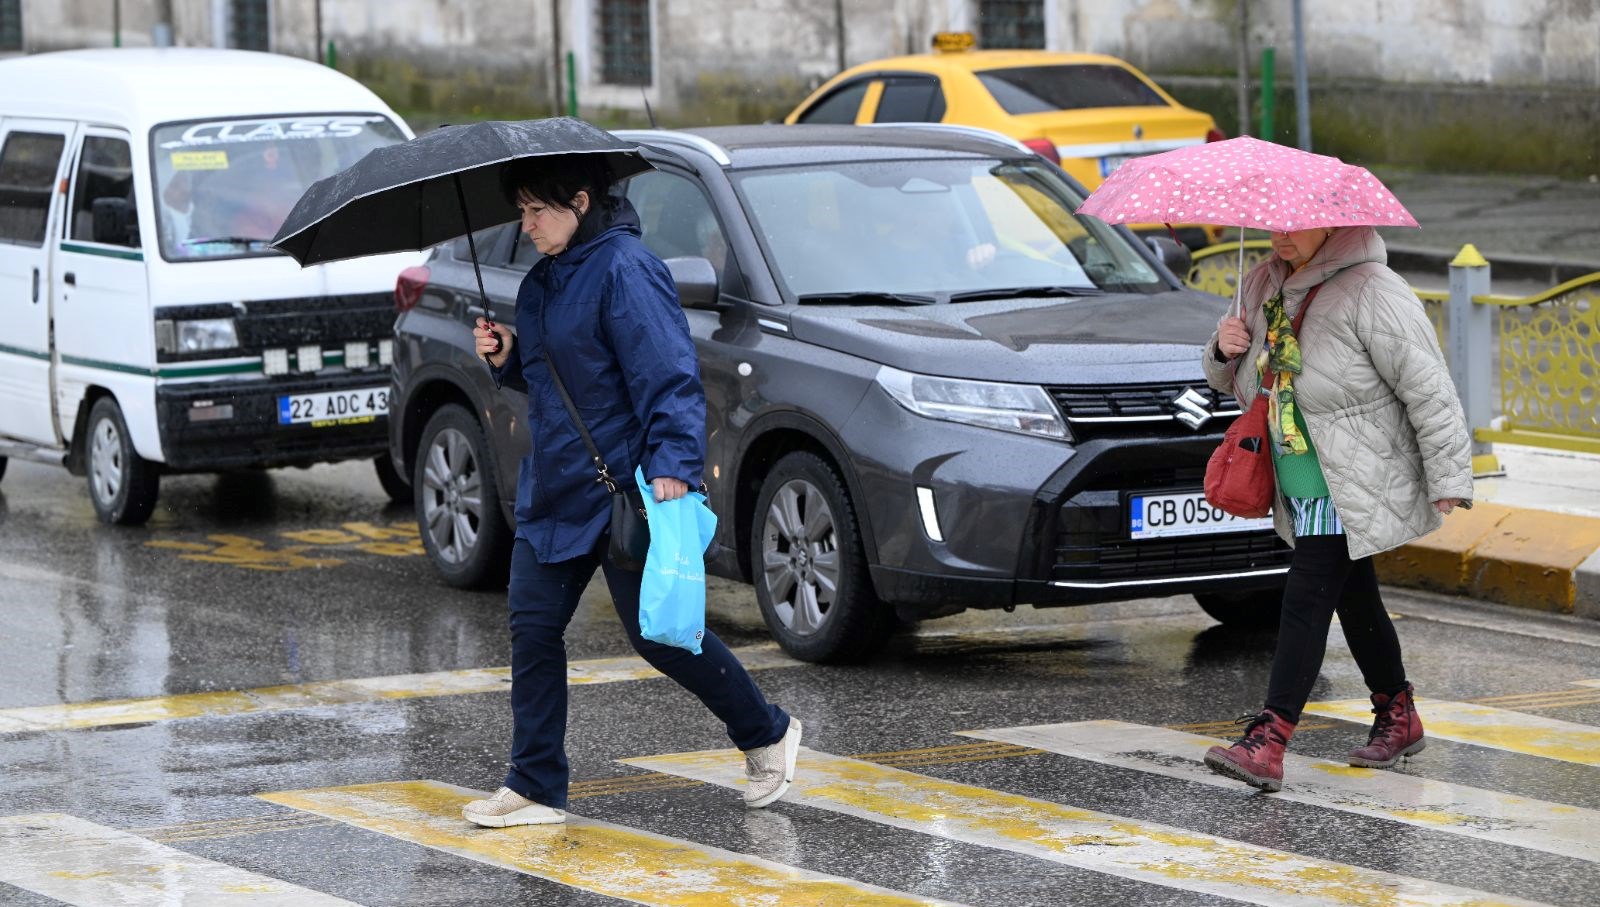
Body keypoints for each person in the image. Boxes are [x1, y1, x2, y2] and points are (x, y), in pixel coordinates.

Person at [465, 156, 801, 827]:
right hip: (555, 486)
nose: (525, 224)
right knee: (532, 631)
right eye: (521, 211)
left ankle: (766, 731)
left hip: (620, 486)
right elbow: (562, 385)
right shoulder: (541, 282)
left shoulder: (626, 268)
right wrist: (507, 357)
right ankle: (534, 784)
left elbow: (668, 371)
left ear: (580, 201)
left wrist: (675, 460)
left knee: (662, 634)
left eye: (537, 210)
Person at [1199, 224, 1473, 793]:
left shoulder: (1374, 288)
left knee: (1305, 597)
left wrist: (1449, 474)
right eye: (1274, 224)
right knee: (1353, 593)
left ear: (1333, 224)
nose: (1280, 236)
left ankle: (1269, 739)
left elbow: (1429, 385)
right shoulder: (1260, 286)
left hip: (1350, 477)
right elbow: (1242, 386)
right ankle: (1398, 713)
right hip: (1293, 476)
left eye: (1294, 226)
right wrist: (1222, 351)